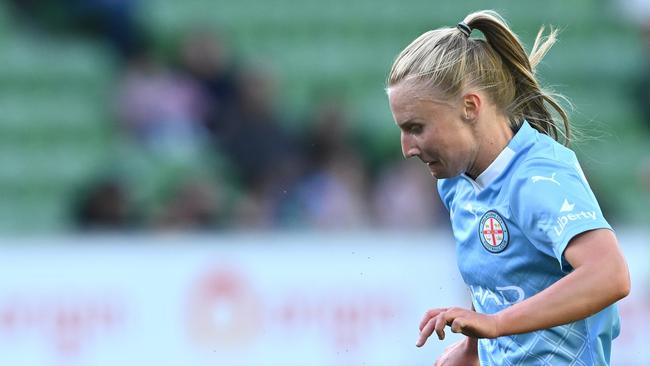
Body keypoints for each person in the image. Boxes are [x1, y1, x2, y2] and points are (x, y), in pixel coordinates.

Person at [385, 10, 630, 365]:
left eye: (417, 127)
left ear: (470, 106)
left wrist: (495, 323)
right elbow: (497, 276)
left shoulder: (538, 178)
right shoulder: (456, 183)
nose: (407, 148)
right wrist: (472, 348)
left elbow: (610, 275)